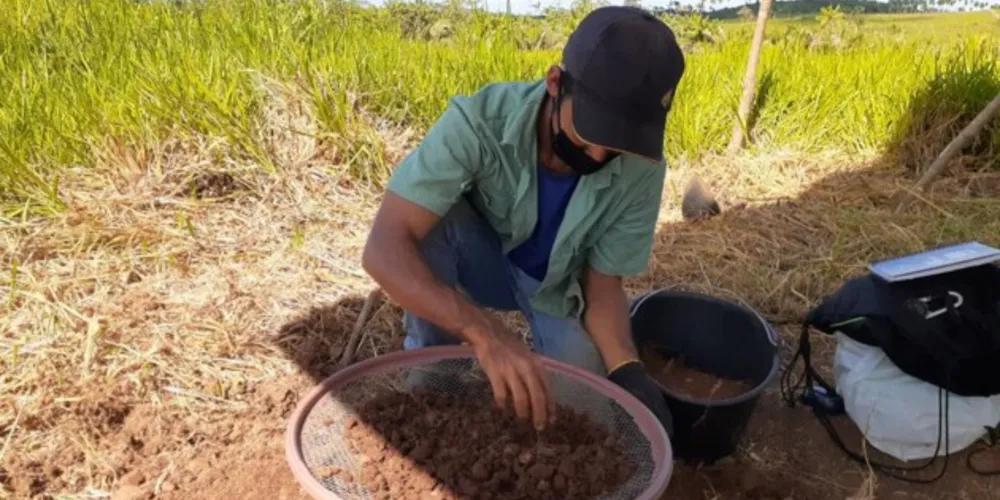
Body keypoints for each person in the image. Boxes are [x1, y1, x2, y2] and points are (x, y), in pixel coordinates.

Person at [362, 6, 686, 436]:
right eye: (590, 132)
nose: (599, 157)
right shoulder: (480, 123)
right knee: (429, 226)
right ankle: (437, 375)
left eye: (618, 145)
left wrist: (628, 373)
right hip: (483, 262)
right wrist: (485, 333)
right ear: (555, 83)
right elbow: (383, 248)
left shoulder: (643, 169)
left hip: (555, 287)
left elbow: (603, 286)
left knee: (583, 416)